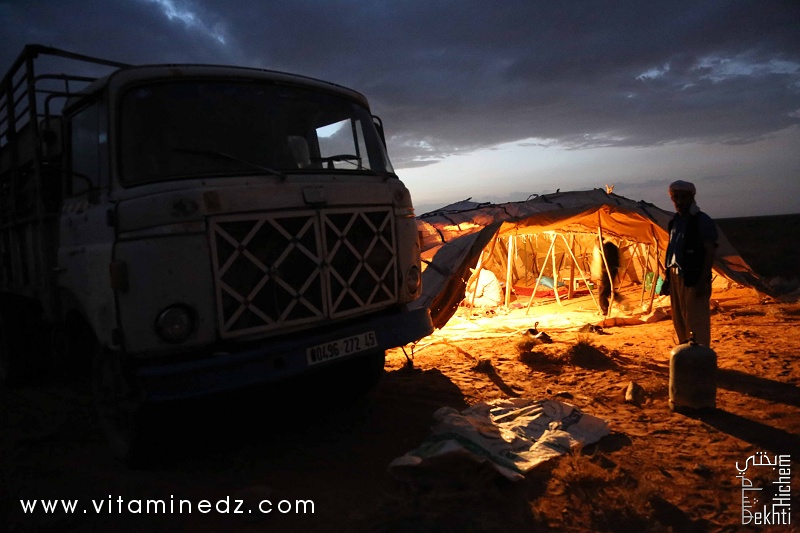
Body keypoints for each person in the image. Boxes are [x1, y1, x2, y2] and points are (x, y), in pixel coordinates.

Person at [665, 180, 718, 346]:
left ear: (691, 197)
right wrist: (667, 277)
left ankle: (699, 354)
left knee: (696, 319)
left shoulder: (701, 220)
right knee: (679, 318)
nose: (679, 201)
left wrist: (703, 280)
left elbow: (709, 251)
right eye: (675, 198)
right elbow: (672, 250)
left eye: (683, 197)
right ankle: (684, 351)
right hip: (675, 275)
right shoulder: (674, 222)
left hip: (693, 275)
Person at [595, 240, 620, 315]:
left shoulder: (604, 249)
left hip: (607, 271)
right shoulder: (611, 246)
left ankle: (605, 310)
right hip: (612, 270)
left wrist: (600, 274)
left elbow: (602, 263)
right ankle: (623, 302)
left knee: (602, 292)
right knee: (608, 290)